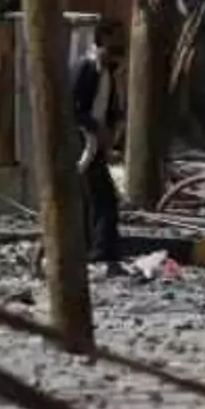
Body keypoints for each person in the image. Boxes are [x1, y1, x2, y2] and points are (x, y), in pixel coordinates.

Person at [71, 19, 126, 267]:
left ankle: (96, 248)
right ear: (102, 39)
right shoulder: (86, 68)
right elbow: (72, 109)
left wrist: (112, 131)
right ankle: (102, 251)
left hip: (96, 144)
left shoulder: (108, 72)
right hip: (82, 142)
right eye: (115, 39)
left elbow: (109, 108)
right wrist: (96, 130)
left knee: (95, 197)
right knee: (102, 197)